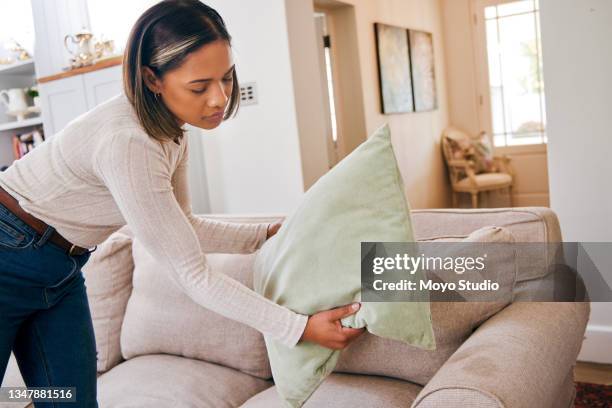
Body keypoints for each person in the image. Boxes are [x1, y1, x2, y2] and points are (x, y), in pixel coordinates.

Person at [0, 1, 365, 406]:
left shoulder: (170, 130)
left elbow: (182, 223)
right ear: (151, 79)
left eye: (226, 79)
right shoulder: (130, 142)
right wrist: (298, 328)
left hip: (61, 269)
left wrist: (265, 235)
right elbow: (193, 275)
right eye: (199, 86)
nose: (219, 99)